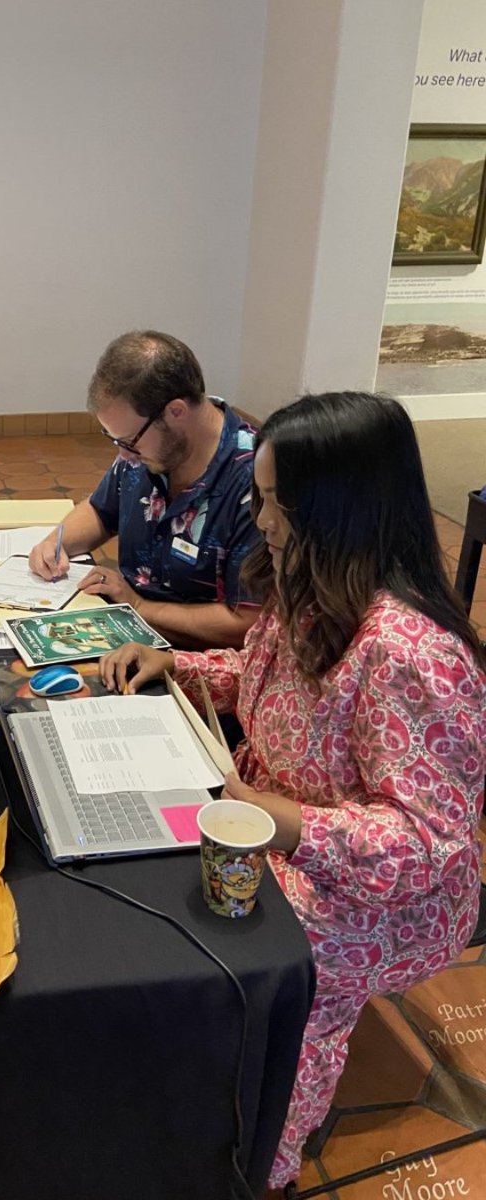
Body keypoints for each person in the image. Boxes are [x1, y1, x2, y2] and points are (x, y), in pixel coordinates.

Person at [99, 391, 486, 1191]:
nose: (262, 521)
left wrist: (285, 825)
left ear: (337, 508)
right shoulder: (311, 584)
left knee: (255, 955)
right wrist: (182, 667)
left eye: (276, 503)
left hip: (386, 897)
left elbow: (427, 845)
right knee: (169, 899)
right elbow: (262, 679)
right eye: (259, 498)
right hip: (279, 828)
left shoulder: (410, 652)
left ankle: (257, 1150)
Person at [29, 330, 260, 649]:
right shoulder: (146, 451)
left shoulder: (256, 481)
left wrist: (138, 607)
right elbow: (100, 510)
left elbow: (246, 623)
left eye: (129, 441)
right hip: (128, 632)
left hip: (199, 663)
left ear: (176, 412)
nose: (123, 455)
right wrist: (55, 543)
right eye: (116, 441)